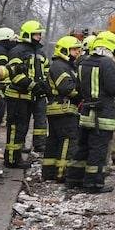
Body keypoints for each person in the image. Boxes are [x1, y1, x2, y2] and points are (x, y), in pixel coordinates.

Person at [65, 31, 115, 193]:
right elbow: (113, 87)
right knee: (98, 150)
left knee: (82, 147)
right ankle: (94, 184)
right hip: (103, 115)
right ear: (110, 46)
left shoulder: (83, 62)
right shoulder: (108, 63)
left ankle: (74, 179)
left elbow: (78, 88)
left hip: (86, 113)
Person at [3, 20, 49, 168]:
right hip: (18, 97)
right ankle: (11, 160)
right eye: (36, 34)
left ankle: (18, 157)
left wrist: (44, 85)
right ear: (28, 34)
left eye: (40, 34)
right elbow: (15, 75)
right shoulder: (17, 51)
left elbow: (46, 70)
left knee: (23, 129)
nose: (39, 37)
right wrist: (33, 86)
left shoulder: (40, 52)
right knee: (16, 129)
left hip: (32, 97)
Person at [41, 36, 82, 182]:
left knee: (54, 141)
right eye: (74, 49)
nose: (78, 52)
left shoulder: (65, 66)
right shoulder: (60, 66)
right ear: (64, 50)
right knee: (67, 140)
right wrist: (83, 93)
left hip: (58, 109)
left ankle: (49, 172)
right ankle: (62, 173)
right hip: (63, 109)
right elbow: (67, 88)